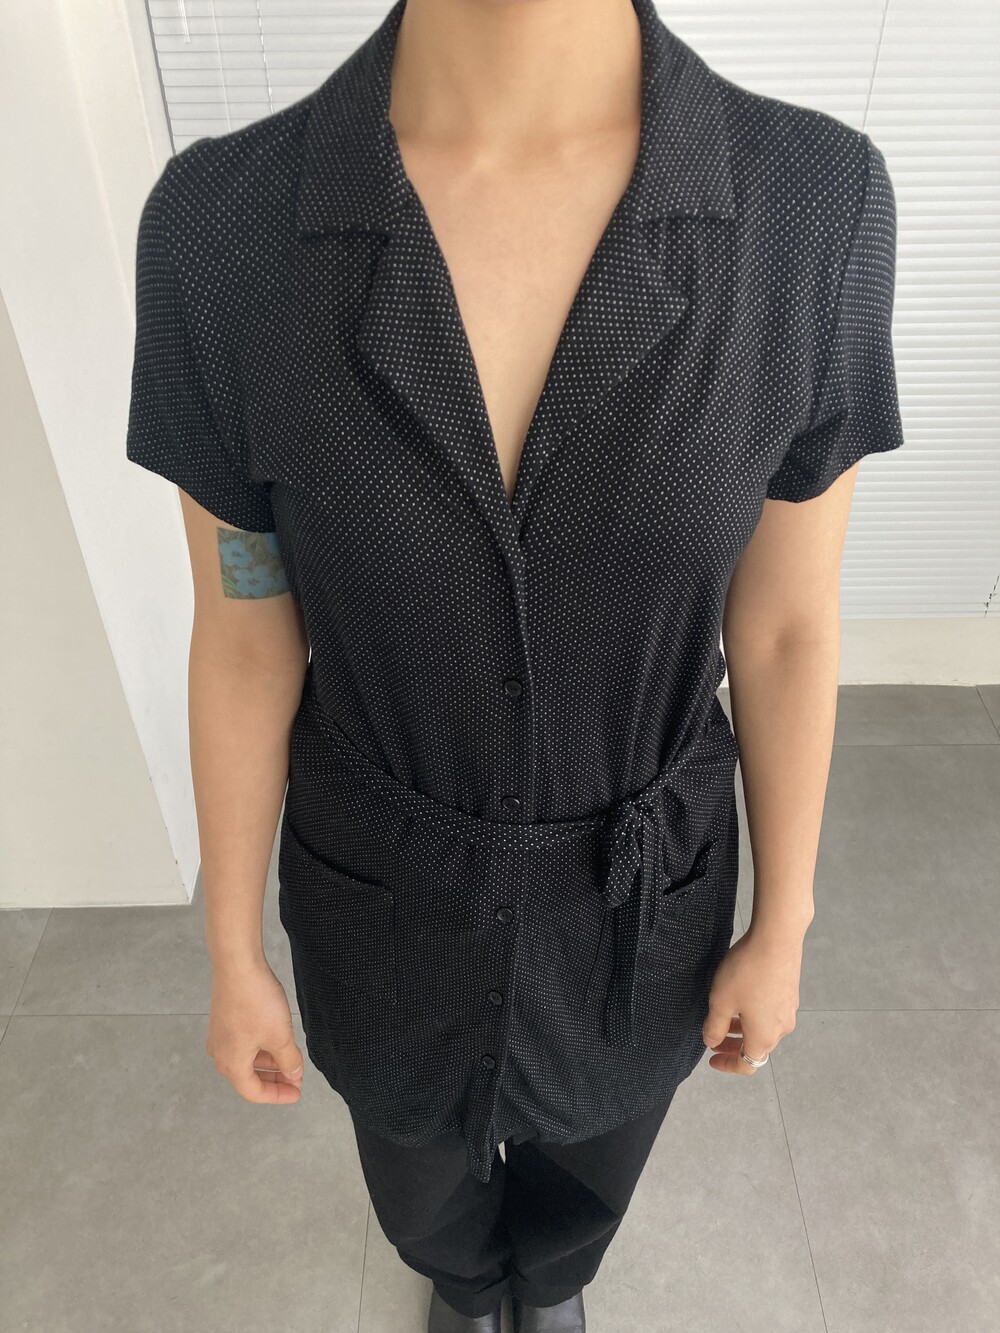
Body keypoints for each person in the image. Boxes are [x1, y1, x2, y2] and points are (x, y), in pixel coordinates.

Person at [124, 0, 906, 1329]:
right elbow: (247, 625)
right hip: (380, 899)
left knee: (589, 1191)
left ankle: (545, 1289)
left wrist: (785, 920)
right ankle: (468, 1287)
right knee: (421, 1198)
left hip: (643, 901)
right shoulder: (223, 230)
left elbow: (784, 624)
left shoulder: (811, 209)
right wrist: (229, 944)